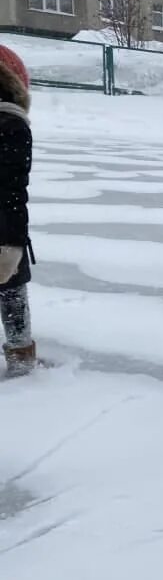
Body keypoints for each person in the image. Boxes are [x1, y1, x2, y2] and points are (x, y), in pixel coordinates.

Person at [0, 45, 35, 378]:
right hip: (2, 226)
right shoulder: (10, 122)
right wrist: (12, 244)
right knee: (11, 288)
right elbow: (11, 191)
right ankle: (21, 359)